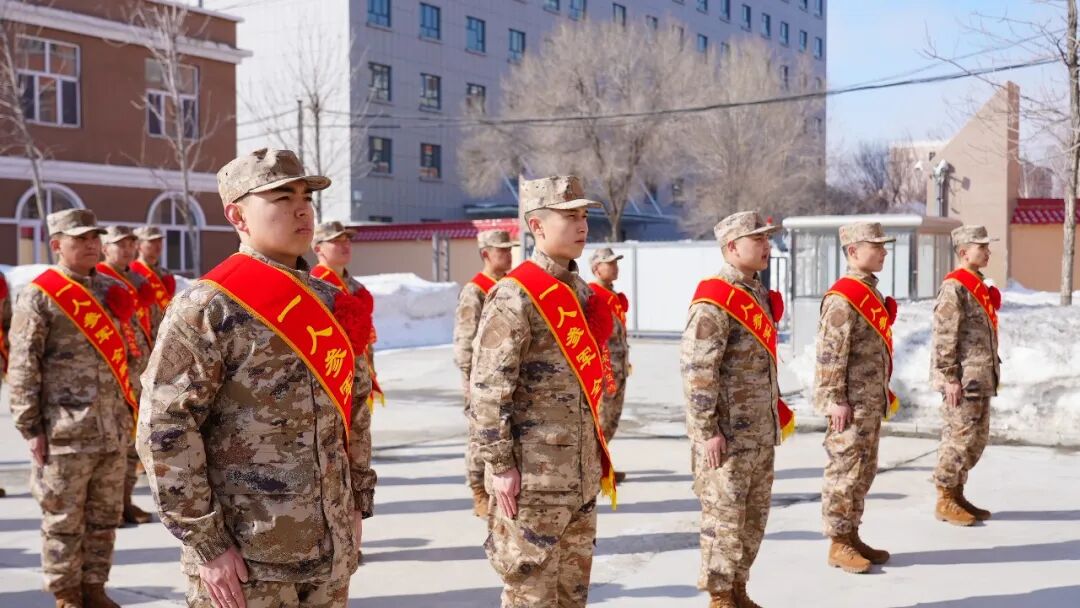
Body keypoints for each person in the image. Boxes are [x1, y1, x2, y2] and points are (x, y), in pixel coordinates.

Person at [137, 148, 376, 608]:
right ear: (237, 215)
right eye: (282, 198)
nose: (302, 209)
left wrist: (356, 501)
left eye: (306, 197)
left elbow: (354, 408)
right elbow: (165, 428)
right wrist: (207, 544)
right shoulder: (209, 306)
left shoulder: (329, 301)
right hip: (248, 558)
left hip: (330, 548)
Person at [470, 175, 617, 607]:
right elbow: (489, 389)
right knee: (530, 595)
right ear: (536, 226)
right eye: (569, 216)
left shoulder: (581, 291)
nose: (581, 225)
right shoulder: (515, 296)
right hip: (532, 482)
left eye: (584, 215)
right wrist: (500, 466)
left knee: (573, 596)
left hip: (579, 477)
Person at [8, 209, 142, 608]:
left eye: (94, 237)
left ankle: (95, 588)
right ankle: (66, 595)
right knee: (63, 520)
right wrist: (31, 429)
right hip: (64, 431)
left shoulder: (111, 289)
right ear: (56, 245)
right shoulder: (40, 295)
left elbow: (131, 355)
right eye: (80, 238)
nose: (90, 245)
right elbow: (23, 366)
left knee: (104, 518)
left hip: (112, 428)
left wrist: (135, 411)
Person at [681, 211, 788, 608]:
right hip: (726, 438)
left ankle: (739, 589)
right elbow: (698, 372)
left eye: (767, 238)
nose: (766, 246)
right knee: (724, 522)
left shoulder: (756, 293)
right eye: (757, 239)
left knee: (752, 521)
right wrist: (707, 431)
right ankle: (721, 595)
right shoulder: (715, 299)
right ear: (731, 247)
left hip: (758, 431)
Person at [815, 221, 899, 575]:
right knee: (844, 472)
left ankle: (851, 533)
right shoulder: (844, 297)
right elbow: (830, 353)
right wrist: (834, 398)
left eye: (883, 246)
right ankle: (838, 542)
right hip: (849, 404)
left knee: (863, 470)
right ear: (853, 251)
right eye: (875, 246)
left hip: (868, 401)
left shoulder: (869, 292)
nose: (883, 252)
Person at [930, 225, 1002, 526]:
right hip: (963, 378)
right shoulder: (955, 287)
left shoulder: (978, 284)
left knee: (975, 439)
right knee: (958, 439)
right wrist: (949, 377)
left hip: (980, 376)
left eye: (987, 246)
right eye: (980, 247)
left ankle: (957, 493)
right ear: (963, 252)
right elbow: (945, 335)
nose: (987, 252)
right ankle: (945, 497)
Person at [453, 229, 517, 518]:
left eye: (509, 249)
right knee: (479, 435)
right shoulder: (475, 290)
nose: (507, 255)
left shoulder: (510, 286)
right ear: (485, 254)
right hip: (480, 375)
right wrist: (468, 376)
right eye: (501, 250)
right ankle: (478, 490)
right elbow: (465, 337)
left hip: (504, 373)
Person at [96, 225, 155, 525]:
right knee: (114, 442)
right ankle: (111, 504)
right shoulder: (99, 282)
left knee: (135, 439)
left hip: (141, 371)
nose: (127, 249)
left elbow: (152, 321)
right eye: (120, 244)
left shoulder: (139, 280)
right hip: (115, 374)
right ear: (105, 248)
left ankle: (125, 499)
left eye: (131, 243)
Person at [311, 220, 383, 409]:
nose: (345, 246)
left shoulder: (354, 285)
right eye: (336, 241)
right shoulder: (316, 286)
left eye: (347, 240)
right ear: (318, 248)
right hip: (335, 377)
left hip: (361, 373)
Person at [588, 247, 630, 483]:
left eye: (616, 263)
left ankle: (601, 466)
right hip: (604, 370)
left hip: (618, 368)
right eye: (609, 263)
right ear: (596, 268)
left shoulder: (612, 295)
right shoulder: (592, 295)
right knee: (602, 421)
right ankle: (593, 471)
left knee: (612, 421)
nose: (615, 267)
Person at [131, 225, 175, 338]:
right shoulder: (132, 272)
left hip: (164, 332)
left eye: (159, 240)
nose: (158, 245)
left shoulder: (166, 273)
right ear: (138, 245)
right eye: (152, 241)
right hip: (142, 332)